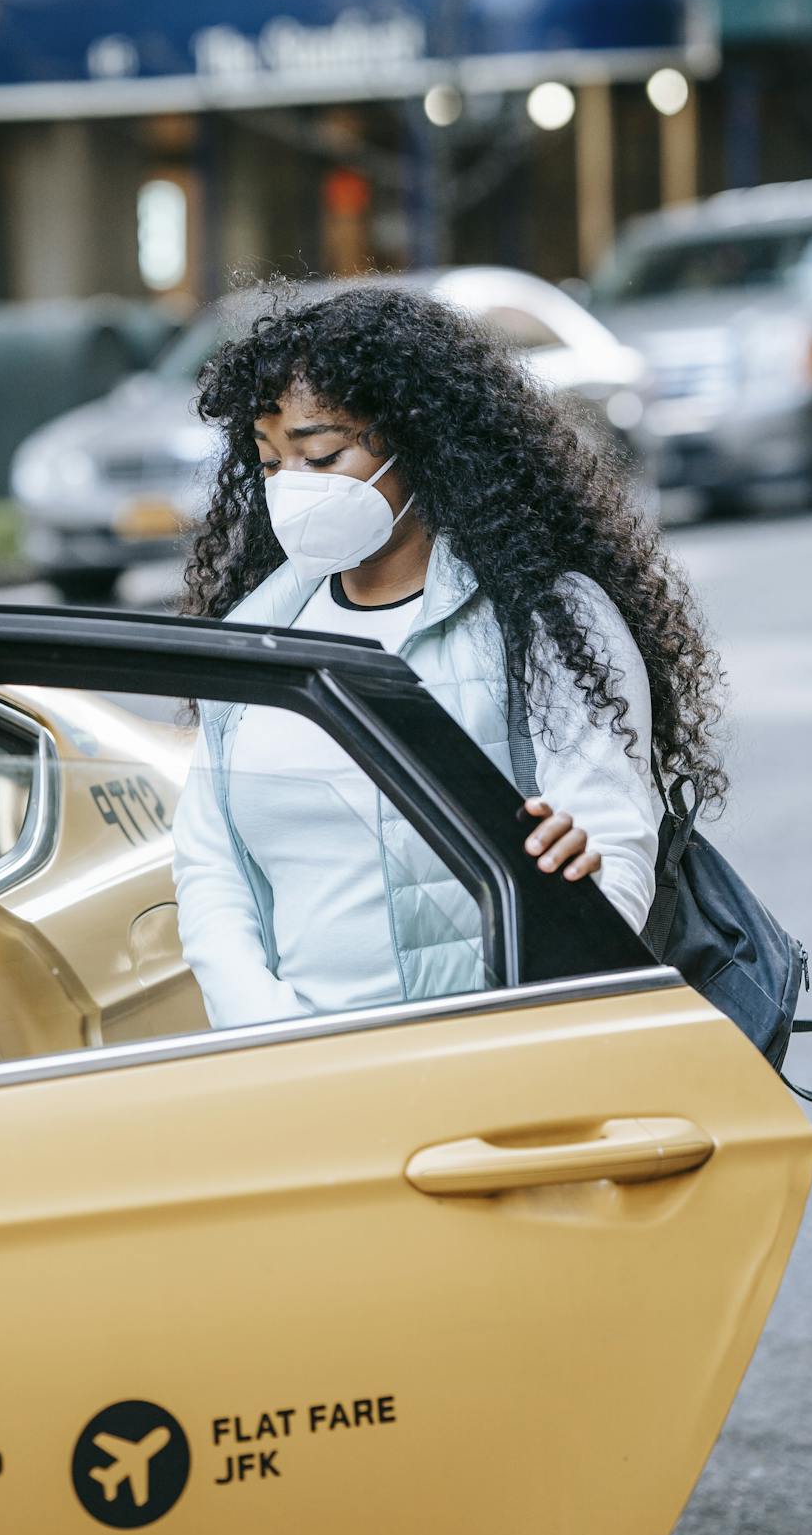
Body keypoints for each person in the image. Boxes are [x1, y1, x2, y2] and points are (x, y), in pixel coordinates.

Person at [172, 283, 725, 1030]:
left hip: (498, 1063)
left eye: (320, 453)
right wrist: (267, 1035)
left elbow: (609, 837)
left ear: (420, 443)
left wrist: (572, 925)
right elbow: (213, 874)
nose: (288, 489)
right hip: (304, 1069)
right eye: (269, 463)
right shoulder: (245, 643)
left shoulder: (545, 619)